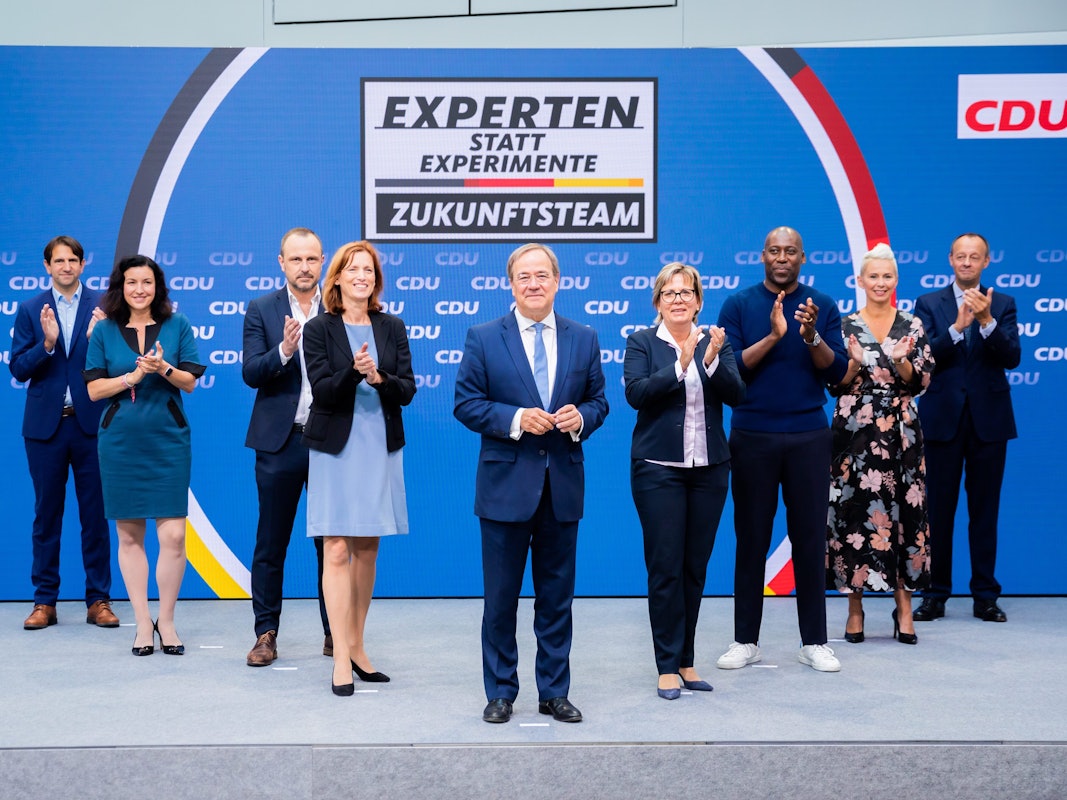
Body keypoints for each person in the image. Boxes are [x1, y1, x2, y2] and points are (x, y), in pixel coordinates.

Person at [454, 243, 609, 724]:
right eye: (524, 276)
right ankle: (500, 691)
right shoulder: (483, 336)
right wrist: (518, 417)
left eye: (542, 275)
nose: (534, 283)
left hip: (561, 488)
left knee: (556, 600)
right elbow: (465, 403)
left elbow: (600, 401)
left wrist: (580, 416)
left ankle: (554, 691)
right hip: (504, 490)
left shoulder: (584, 337)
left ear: (558, 281)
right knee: (500, 600)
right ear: (511, 284)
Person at [716, 226, 849, 673]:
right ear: (762, 256)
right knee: (750, 539)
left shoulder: (822, 306)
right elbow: (730, 369)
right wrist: (775, 335)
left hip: (810, 436)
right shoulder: (738, 304)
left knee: (810, 539)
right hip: (752, 435)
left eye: (790, 251)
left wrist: (811, 336)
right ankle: (745, 640)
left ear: (802, 257)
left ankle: (814, 641)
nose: (782, 257)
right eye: (774, 250)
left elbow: (839, 374)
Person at [624, 262, 745, 700]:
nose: (679, 299)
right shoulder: (641, 342)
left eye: (686, 292)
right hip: (658, 471)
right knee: (665, 570)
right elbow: (636, 394)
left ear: (698, 300)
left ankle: (687, 661)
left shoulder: (716, 341)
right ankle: (665, 665)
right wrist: (680, 364)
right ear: (658, 302)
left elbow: (738, 395)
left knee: (695, 569)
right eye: (670, 293)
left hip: (709, 471)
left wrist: (710, 362)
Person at [301, 241, 415, 696]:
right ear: (338, 278)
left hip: (378, 445)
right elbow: (324, 391)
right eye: (354, 269)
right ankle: (341, 658)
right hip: (334, 449)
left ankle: (358, 643)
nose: (362, 277)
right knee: (335, 549)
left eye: (369, 270)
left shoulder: (392, 326)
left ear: (375, 280)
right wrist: (354, 371)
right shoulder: (318, 329)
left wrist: (379, 378)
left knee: (367, 547)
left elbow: (406, 390)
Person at [84, 255, 205, 656]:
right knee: (129, 534)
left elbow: (189, 382)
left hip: (167, 441)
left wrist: (163, 368)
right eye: (132, 282)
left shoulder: (178, 325)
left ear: (158, 287)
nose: (140, 289)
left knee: (172, 535)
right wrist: (131, 378)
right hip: (119, 442)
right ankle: (141, 623)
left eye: (147, 282)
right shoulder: (103, 330)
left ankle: (166, 622)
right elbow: (94, 390)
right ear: (121, 286)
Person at [827, 244, 934, 645]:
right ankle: (855, 609)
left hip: (901, 433)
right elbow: (832, 382)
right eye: (873, 276)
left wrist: (903, 361)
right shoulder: (844, 326)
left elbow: (921, 382)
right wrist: (853, 363)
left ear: (896, 281)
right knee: (854, 515)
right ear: (860, 280)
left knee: (905, 514)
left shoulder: (912, 324)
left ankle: (903, 605)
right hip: (854, 433)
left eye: (887, 276)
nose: (880, 282)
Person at [10, 236, 118, 631]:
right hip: (45, 429)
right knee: (46, 515)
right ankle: (44, 602)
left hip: (92, 426)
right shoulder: (29, 309)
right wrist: (49, 345)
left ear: (84, 264)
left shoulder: (105, 308)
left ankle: (99, 600)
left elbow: (120, 363)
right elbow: (19, 368)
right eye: (59, 260)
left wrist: (100, 340)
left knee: (95, 516)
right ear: (47, 266)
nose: (66, 266)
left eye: (73, 259)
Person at [913, 233, 1021, 623]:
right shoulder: (928, 304)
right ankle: (935, 594)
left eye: (975, 257)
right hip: (942, 420)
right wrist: (957, 328)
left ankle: (985, 596)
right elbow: (923, 357)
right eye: (961, 257)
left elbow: (1013, 357)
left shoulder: (1004, 304)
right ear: (951, 260)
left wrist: (987, 321)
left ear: (987, 262)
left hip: (989, 423)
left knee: (984, 511)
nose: (967, 263)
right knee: (938, 514)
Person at [243, 227, 332, 667]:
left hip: (330, 443)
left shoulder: (338, 308)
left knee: (332, 543)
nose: (304, 267)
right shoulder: (261, 309)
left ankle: (336, 633)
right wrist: (283, 349)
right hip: (279, 443)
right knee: (270, 543)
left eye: (312, 259)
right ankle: (265, 633)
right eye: (295, 260)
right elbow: (251, 372)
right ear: (281, 262)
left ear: (323, 261)